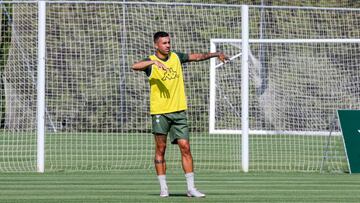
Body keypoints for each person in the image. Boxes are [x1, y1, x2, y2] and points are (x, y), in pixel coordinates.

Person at [132, 31, 228, 198]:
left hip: (179, 111)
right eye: (164, 43)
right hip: (160, 113)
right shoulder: (149, 61)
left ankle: (191, 188)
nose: (168, 45)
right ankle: (164, 188)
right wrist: (154, 62)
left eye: (169, 42)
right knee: (161, 148)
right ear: (156, 45)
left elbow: (197, 57)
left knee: (185, 147)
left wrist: (216, 54)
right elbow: (134, 66)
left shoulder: (176, 57)